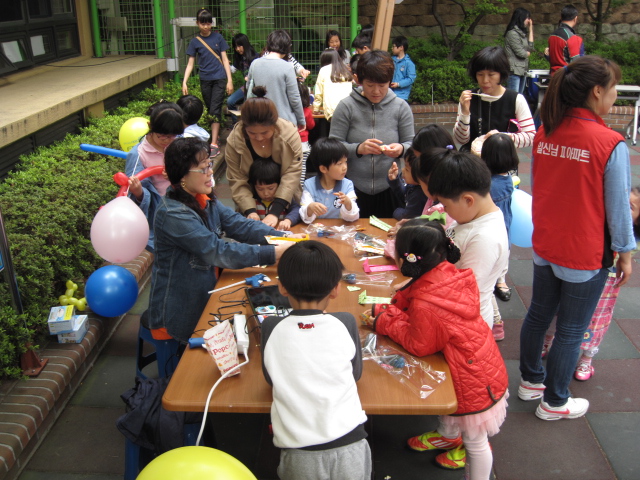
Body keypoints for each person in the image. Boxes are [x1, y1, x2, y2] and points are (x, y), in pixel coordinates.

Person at [518, 56, 634, 421]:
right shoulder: (609, 142)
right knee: (571, 328)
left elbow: (542, 188)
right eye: (614, 89)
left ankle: (530, 381)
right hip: (584, 250)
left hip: (548, 243)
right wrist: (626, 253)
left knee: (538, 315)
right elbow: (618, 209)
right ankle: (555, 401)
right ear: (597, 91)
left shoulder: (545, 132)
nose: (615, 96)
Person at [362, 219, 508, 480]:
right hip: (474, 361)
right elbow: (425, 315)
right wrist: (392, 310)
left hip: (472, 379)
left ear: (408, 258)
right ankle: (447, 437)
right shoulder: (448, 274)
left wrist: (385, 320)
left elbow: (420, 343)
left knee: (475, 440)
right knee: (453, 417)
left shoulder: (427, 303)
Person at [147, 137, 297, 345]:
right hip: (182, 307)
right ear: (182, 176)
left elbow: (238, 224)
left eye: (209, 165)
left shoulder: (203, 198)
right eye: (203, 169)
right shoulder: (173, 214)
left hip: (207, 289)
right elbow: (218, 251)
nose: (210, 173)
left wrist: (281, 238)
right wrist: (273, 252)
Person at [261, 240, 371, 480]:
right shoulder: (345, 321)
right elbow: (355, 374)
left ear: (282, 287)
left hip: (299, 452)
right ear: (336, 289)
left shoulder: (271, 326)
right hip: (350, 444)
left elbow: (272, 379)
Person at [428, 148, 509, 331]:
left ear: (468, 200)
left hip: (466, 326)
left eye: (446, 205)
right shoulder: (471, 218)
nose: (445, 211)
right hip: (451, 310)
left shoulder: (484, 239)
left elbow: (464, 293)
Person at [330, 50, 415, 218]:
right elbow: (333, 146)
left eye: (382, 85)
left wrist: (401, 149)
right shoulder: (346, 106)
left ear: (390, 82)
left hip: (391, 187)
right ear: (359, 80)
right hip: (352, 188)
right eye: (370, 85)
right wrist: (358, 149)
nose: (376, 91)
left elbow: (412, 144)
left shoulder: (400, 107)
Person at [225, 86, 303, 228]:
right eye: (252, 133)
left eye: (265, 132)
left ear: (275, 125)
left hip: (285, 202)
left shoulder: (289, 135)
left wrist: (275, 212)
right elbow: (236, 179)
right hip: (252, 201)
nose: (259, 138)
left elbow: (292, 174)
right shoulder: (235, 140)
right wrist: (250, 211)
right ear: (244, 127)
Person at [453, 46, 535, 152]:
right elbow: (461, 140)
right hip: (473, 163)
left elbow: (531, 136)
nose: (485, 80)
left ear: (501, 74)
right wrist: (465, 113)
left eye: (491, 75)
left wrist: (501, 137)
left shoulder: (516, 99)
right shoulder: (468, 99)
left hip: (503, 161)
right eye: (480, 74)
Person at [126, 101, 184, 251]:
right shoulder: (138, 154)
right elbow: (132, 198)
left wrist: (176, 176)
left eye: (173, 137)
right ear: (150, 126)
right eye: (163, 137)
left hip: (185, 206)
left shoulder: (177, 145)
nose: (167, 141)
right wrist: (138, 192)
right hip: (162, 215)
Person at [479, 133, 520, 341]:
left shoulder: (491, 186)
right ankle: (496, 322)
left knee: (485, 287)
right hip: (504, 240)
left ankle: (496, 323)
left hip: (493, 242)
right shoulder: (509, 180)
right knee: (491, 281)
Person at [182, 8, 233, 158]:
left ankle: (214, 143)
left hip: (219, 78)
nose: (205, 26)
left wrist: (229, 80)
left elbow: (225, 60)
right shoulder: (194, 41)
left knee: (215, 109)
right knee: (211, 107)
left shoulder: (218, 38)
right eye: (202, 23)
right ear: (197, 23)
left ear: (211, 24)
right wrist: (184, 81)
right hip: (205, 78)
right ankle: (214, 134)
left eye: (208, 23)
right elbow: (190, 63)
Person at [247, 30, 305, 130]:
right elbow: (294, 98)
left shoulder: (255, 64)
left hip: (260, 120)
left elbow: (249, 87)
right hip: (284, 122)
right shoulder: (287, 67)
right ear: (287, 47)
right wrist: (301, 120)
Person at [300, 138, 359, 223]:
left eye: (345, 162)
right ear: (323, 169)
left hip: (340, 230)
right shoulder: (309, 185)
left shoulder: (347, 184)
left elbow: (353, 217)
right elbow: (305, 217)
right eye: (339, 163)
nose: (345, 167)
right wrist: (310, 208)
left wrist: (348, 203)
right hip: (316, 230)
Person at [247, 159, 300, 231]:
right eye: (260, 189)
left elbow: (297, 210)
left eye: (270, 188)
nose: (266, 193)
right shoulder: (252, 201)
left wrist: (288, 221)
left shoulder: (285, 200)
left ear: (279, 185)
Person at [313, 48, 354, 121]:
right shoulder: (345, 70)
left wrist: (316, 108)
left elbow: (318, 93)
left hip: (333, 111)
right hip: (349, 110)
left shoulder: (324, 70)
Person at [387, 149, 427, 220]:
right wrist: (394, 181)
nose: (402, 170)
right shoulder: (413, 186)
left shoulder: (419, 195)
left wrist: (396, 211)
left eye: (407, 169)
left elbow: (407, 216)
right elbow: (404, 196)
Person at [227, 33, 258, 124]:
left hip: (255, 88)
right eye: (236, 47)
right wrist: (225, 63)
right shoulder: (239, 58)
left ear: (245, 44)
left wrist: (250, 78)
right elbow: (232, 70)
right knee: (230, 101)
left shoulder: (255, 57)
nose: (238, 49)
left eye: (240, 46)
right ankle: (236, 124)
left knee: (248, 107)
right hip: (245, 87)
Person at [504, 8, 535, 94]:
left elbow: (530, 48)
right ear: (521, 18)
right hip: (514, 71)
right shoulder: (512, 33)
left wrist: (531, 29)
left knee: (519, 98)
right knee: (514, 97)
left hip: (522, 70)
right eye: (527, 18)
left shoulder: (521, 34)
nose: (529, 20)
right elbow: (521, 53)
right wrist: (527, 53)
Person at [547, 5, 585, 74]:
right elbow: (576, 63)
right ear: (575, 18)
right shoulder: (573, 38)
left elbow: (551, 58)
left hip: (553, 77)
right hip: (566, 78)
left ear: (561, 18)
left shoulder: (552, 36)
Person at [390, 35, 416, 101]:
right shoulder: (391, 60)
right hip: (390, 93)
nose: (392, 48)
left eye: (394, 46)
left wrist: (398, 84)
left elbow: (411, 79)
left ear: (401, 47)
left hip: (402, 96)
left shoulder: (408, 63)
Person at [297, 81, 315, 182]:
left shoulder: (287, 111)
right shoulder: (306, 111)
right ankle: (301, 187)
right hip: (303, 143)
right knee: (302, 168)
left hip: (290, 143)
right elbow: (311, 125)